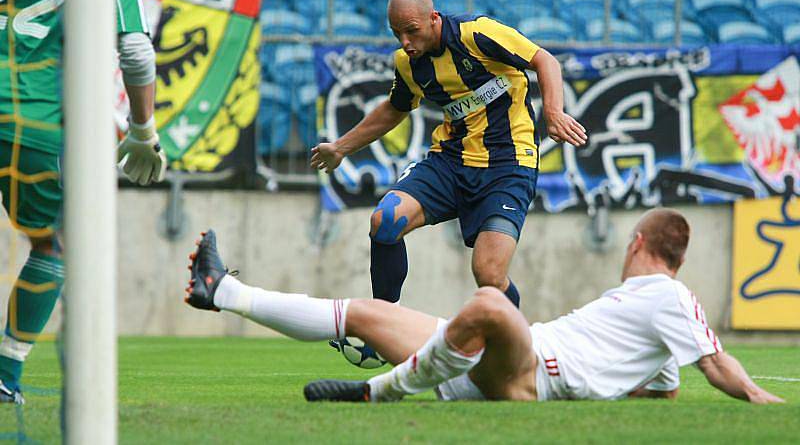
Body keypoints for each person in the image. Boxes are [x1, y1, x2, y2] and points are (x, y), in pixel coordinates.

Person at [183, 208, 784, 405]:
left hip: (531, 369)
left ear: (637, 243)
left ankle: (377, 393)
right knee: (364, 312)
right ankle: (226, 292)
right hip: (490, 369)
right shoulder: (641, 309)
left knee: (492, 303)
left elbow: (715, 362)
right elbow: (663, 392)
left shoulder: (670, 296)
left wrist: (757, 398)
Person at [311, 0, 587, 312]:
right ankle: (383, 322)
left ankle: (518, 345)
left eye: (411, 31)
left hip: (508, 165)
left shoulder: (477, 33)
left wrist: (554, 113)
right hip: (450, 163)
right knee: (385, 219)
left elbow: (545, 60)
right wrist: (341, 147)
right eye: (397, 33)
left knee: (489, 273)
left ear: (434, 19)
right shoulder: (408, 63)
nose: (405, 43)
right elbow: (396, 107)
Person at [0, 0, 166, 404]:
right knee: (55, 245)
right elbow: (135, 51)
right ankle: (6, 374)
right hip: (31, 119)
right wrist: (142, 129)